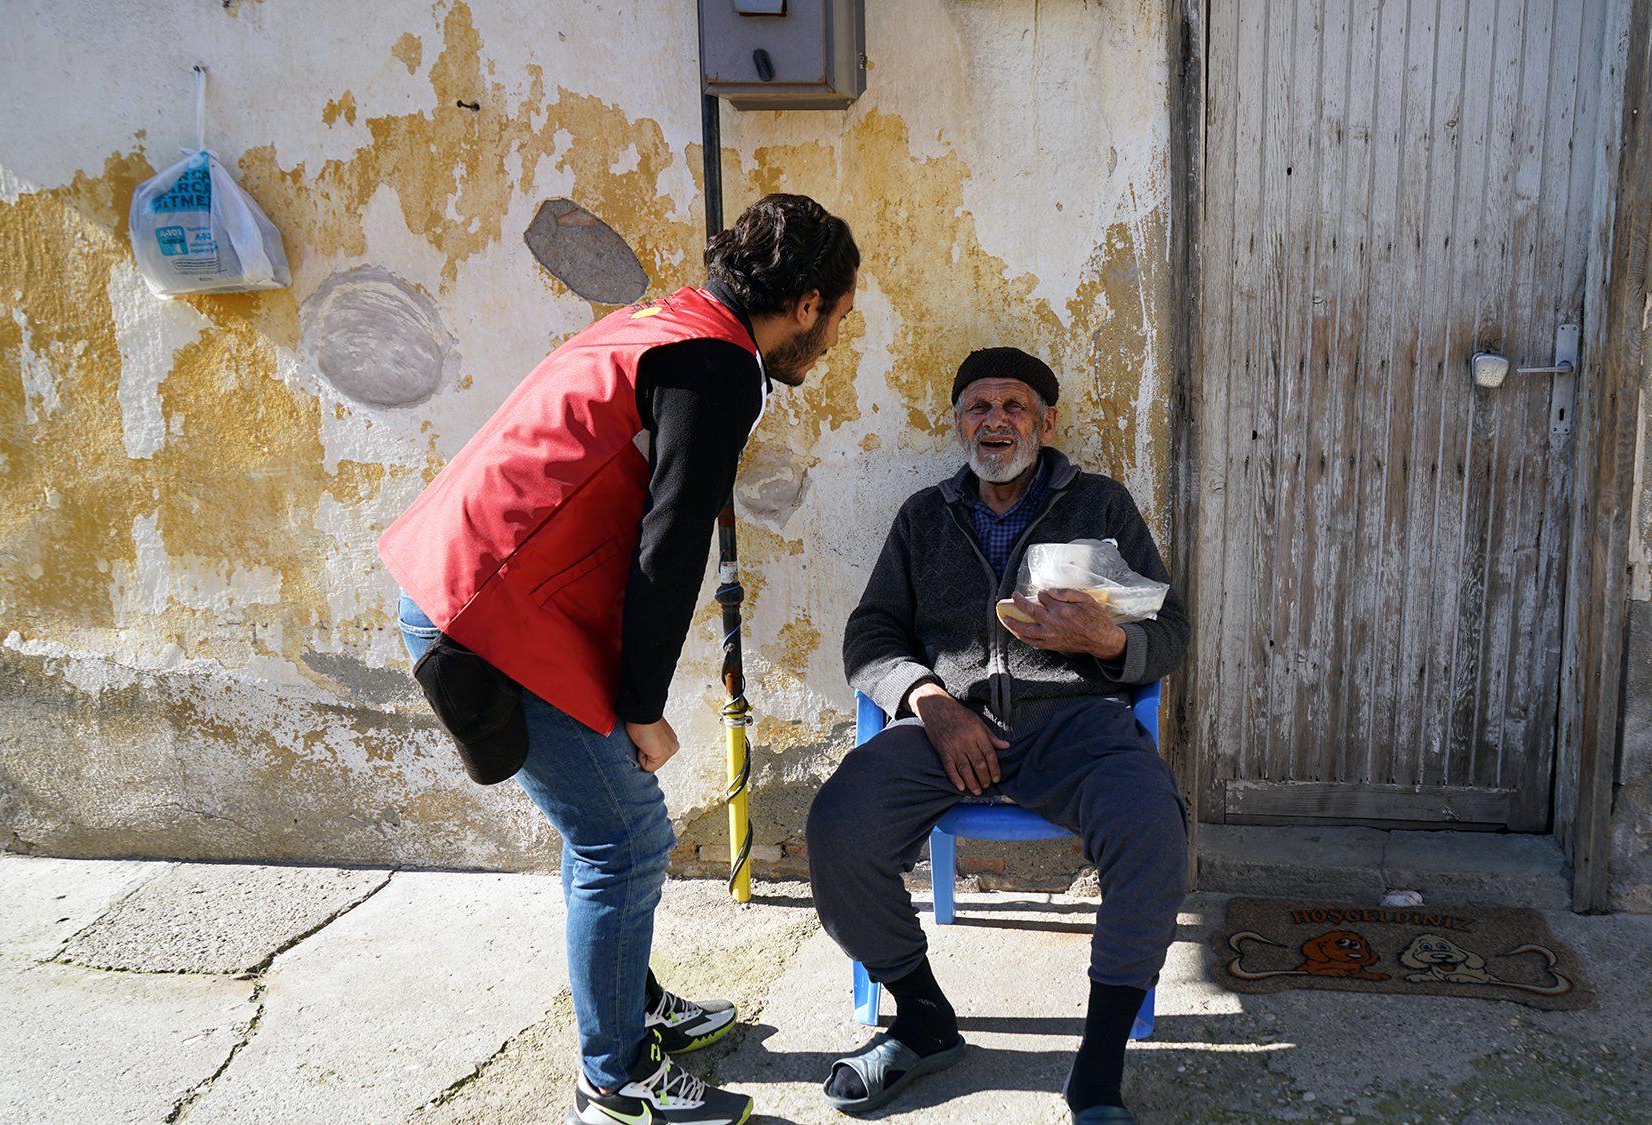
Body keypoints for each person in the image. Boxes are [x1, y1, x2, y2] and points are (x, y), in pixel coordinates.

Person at [379, 193, 859, 1125]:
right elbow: (670, 545)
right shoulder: (714, 365)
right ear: (805, 303)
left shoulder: (669, 321)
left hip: (486, 590)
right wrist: (641, 704)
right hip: (489, 615)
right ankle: (612, 1081)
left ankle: (630, 1008)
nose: (836, 338)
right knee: (625, 837)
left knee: (604, 828)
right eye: (839, 316)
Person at [807, 347, 1189, 1125]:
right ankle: (920, 1018)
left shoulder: (1102, 506)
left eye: (1014, 407)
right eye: (978, 406)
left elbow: (1171, 631)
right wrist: (927, 700)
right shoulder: (924, 516)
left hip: (1075, 722)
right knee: (838, 824)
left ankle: (1099, 1063)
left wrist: (1108, 643)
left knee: (1155, 826)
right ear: (958, 422)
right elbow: (870, 634)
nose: (995, 421)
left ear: (1046, 423)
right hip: (951, 724)